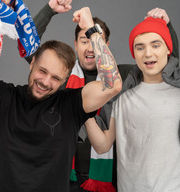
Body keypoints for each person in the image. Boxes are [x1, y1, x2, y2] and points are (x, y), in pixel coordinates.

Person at [0, 2, 122, 191]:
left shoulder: (72, 104)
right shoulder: (5, 98)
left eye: (56, 78)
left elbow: (113, 85)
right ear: (32, 63)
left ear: (65, 79)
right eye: (42, 71)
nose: (46, 81)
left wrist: (91, 28)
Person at [28, 1, 179, 191]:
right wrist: (48, 10)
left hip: (107, 179)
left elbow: (170, 69)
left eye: (94, 41)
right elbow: (30, 52)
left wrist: (167, 27)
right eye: (84, 41)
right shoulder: (60, 76)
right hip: (62, 176)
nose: (90, 48)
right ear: (75, 44)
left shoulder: (124, 77)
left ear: (104, 45)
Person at [85, 13, 180, 192]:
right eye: (140, 47)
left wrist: (169, 24)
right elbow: (103, 144)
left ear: (168, 49)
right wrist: (84, 112)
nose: (148, 53)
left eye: (156, 45)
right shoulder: (122, 95)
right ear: (134, 53)